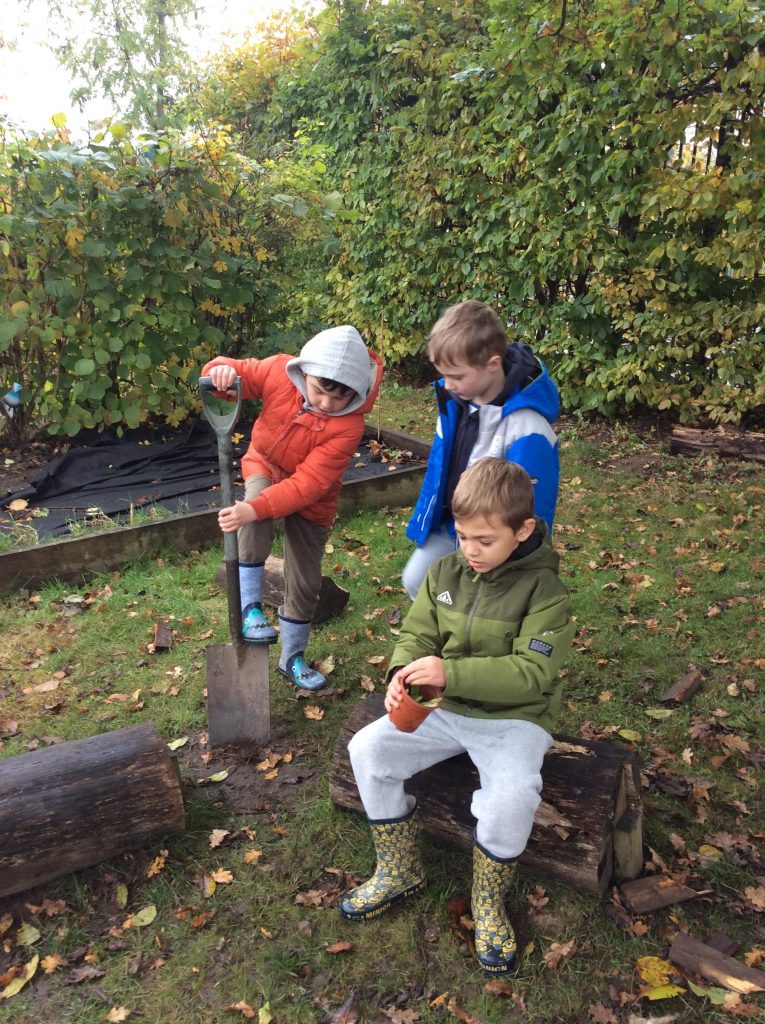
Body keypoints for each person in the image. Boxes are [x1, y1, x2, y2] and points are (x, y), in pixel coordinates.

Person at [340, 457, 575, 975]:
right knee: (367, 749)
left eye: (485, 540)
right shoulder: (445, 572)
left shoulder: (546, 593)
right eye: (463, 536)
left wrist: (450, 673)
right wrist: (402, 672)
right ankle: (398, 869)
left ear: (523, 530)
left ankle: (488, 901)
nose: (470, 550)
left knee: (513, 795)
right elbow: (417, 633)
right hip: (442, 708)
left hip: (515, 718)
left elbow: (531, 674)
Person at [202, 326, 382, 690]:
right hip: (265, 464)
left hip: (313, 497)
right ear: (305, 371)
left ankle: (292, 657)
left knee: (305, 578)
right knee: (253, 518)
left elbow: (307, 485)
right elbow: (237, 371)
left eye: (340, 397)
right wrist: (219, 372)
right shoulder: (278, 370)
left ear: (356, 392)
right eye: (319, 391)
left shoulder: (349, 426)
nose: (326, 404)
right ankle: (250, 609)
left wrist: (255, 509)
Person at [402, 299, 560, 600]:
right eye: (444, 375)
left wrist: (520, 554)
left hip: (493, 538)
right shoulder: (456, 404)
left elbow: (534, 502)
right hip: (451, 525)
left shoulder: (527, 426)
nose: (448, 385)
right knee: (417, 581)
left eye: (457, 376)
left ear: (492, 364)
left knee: (476, 603)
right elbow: (439, 466)